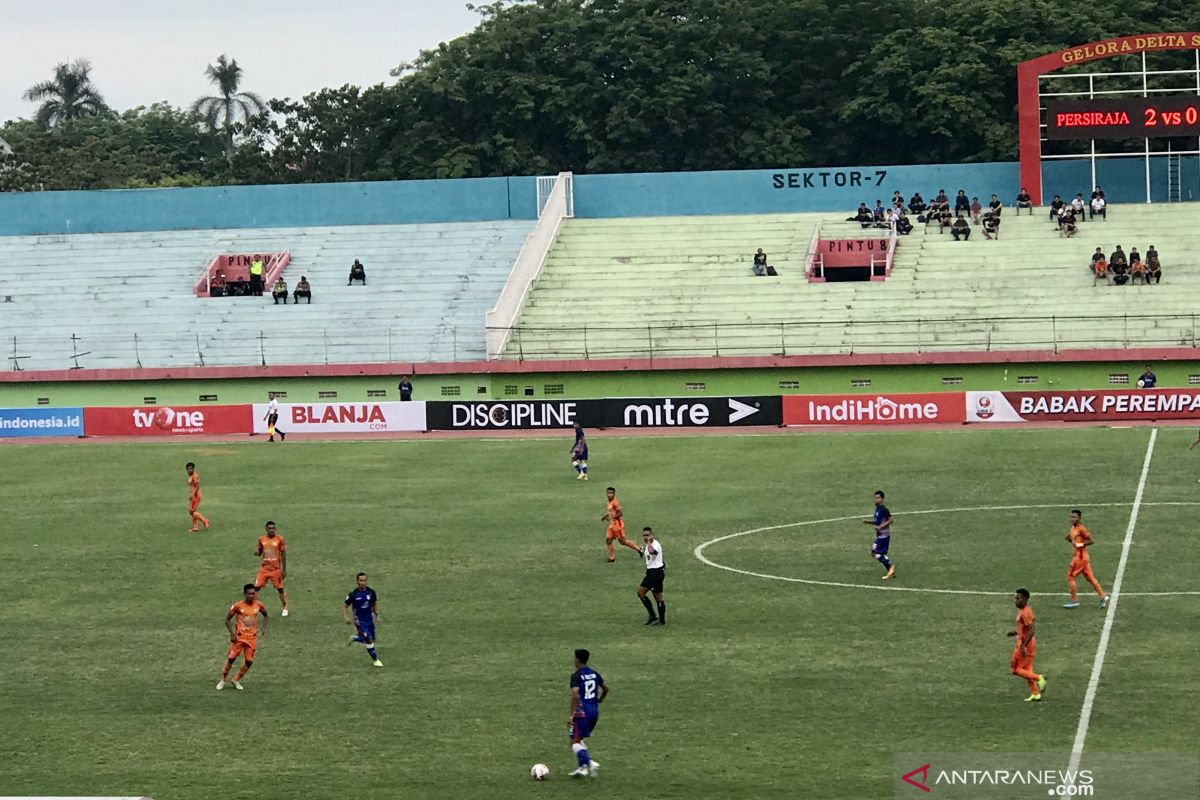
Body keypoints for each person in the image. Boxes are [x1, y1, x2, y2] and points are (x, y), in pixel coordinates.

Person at [217, 583, 268, 691]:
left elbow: (265, 615)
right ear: (244, 594)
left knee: (249, 662)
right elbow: (227, 620)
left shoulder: (259, 605)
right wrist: (232, 634)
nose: (252, 596)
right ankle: (223, 680)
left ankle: (236, 680)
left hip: (252, 638)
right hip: (239, 638)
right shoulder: (238, 606)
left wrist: (263, 628)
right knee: (231, 659)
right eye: (249, 594)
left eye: (253, 594)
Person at [567, 648, 606, 778]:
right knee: (579, 738)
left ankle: (589, 763)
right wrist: (599, 699)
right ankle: (582, 768)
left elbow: (575, 695)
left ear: (577, 659)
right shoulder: (594, 673)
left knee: (574, 742)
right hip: (594, 711)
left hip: (581, 713)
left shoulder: (576, 676)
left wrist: (571, 715)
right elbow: (606, 689)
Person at [1063, 510, 1107, 609]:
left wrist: (1081, 544)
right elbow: (1071, 538)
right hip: (1083, 557)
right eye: (1071, 517)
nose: (1072, 519)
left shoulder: (1082, 529)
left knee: (1070, 577)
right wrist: (1071, 540)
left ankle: (1074, 600)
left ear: (1079, 518)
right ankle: (1102, 596)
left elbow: (1091, 540)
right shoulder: (1073, 528)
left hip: (1080, 557)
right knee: (1090, 578)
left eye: (1074, 517)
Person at [1007, 588, 1045, 702]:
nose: (1015, 600)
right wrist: (1016, 632)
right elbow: (1025, 628)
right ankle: (1035, 693)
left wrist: (1023, 646)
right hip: (1024, 643)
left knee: (1016, 669)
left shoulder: (1026, 612)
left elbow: (1031, 630)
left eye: (1017, 598)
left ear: (1024, 599)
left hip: (1024, 646)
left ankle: (1039, 678)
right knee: (1027, 670)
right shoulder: (1024, 610)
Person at [343, 572, 383, 667]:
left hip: (369, 619)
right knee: (369, 640)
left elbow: (374, 604)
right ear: (357, 581)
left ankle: (355, 638)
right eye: (361, 580)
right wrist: (346, 617)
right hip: (359, 621)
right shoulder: (353, 594)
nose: (363, 582)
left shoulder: (371, 592)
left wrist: (377, 616)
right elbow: (344, 606)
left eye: (364, 580)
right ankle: (376, 660)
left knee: (372, 639)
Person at [254, 521, 288, 617]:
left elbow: (283, 554)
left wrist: (284, 569)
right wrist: (257, 553)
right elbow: (260, 551)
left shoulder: (279, 539)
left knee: (280, 589)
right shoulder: (262, 539)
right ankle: (255, 607)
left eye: (273, 528)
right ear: (266, 529)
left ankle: (285, 607)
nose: (272, 530)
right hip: (264, 568)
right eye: (270, 528)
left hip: (275, 569)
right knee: (256, 588)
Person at [602, 487, 641, 562]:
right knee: (608, 540)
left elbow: (620, 513)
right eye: (608, 493)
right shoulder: (609, 502)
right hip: (612, 525)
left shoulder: (615, 502)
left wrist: (612, 517)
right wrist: (605, 516)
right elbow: (612, 512)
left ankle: (639, 549)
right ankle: (612, 558)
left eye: (611, 493)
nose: (609, 494)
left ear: (614, 494)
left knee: (622, 542)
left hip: (617, 525)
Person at [862, 490, 895, 579]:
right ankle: (890, 571)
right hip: (880, 535)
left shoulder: (884, 509)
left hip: (884, 536)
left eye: (878, 498)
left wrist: (880, 527)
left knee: (874, 552)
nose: (876, 500)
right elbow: (878, 522)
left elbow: (891, 520)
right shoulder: (877, 509)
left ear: (882, 499)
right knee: (880, 553)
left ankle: (890, 566)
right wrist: (868, 522)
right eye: (875, 498)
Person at [637, 527, 666, 625]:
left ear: (652, 535)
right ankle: (652, 615)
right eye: (644, 536)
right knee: (641, 592)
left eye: (647, 535)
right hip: (650, 573)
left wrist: (649, 543)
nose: (645, 537)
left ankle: (662, 621)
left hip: (656, 574)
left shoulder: (654, 545)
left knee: (658, 597)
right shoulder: (648, 545)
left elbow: (653, 552)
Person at [186, 462, 210, 533]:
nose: (189, 470)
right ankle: (197, 526)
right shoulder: (190, 476)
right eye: (188, 468)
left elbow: (197, 486)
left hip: (196, 496)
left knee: (192, 511)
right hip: (193, 496)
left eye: (191, 468)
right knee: (192, 511)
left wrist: (192, 494)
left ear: (193, 469)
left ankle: (204, 521)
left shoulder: (195, 476)